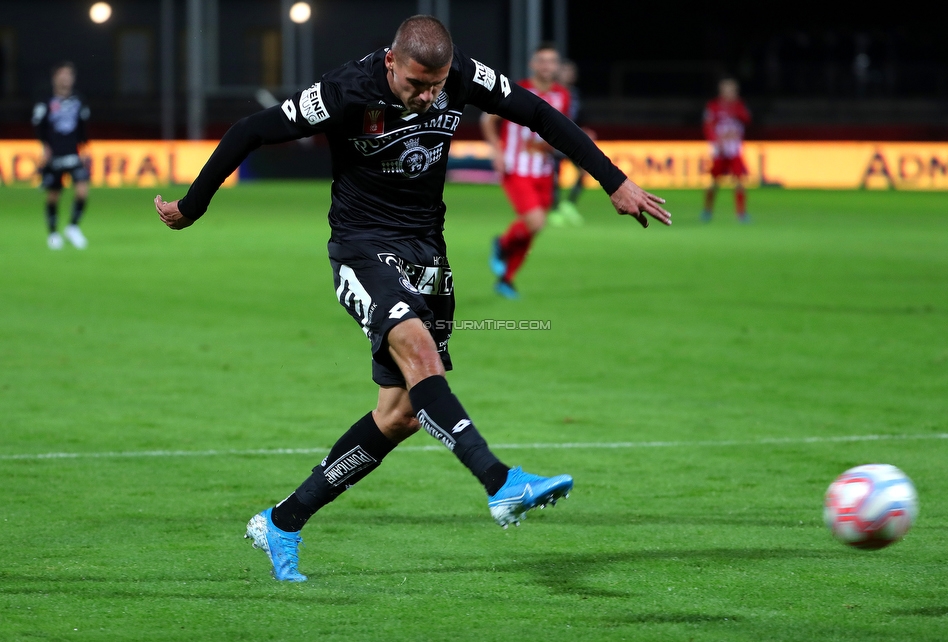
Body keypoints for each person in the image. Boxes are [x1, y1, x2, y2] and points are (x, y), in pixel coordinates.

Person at [154, 16, 670, 582]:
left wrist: (613, 180)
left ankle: (283, 520)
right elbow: (251, 129)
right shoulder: (344, 91)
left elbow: (539, 114)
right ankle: (501, 482)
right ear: (392, 62)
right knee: (419, 353)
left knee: (398, 415)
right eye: (417, 85)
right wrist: (194, 205)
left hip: (428, 255)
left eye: (438, 86)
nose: (429, 97)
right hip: (362, 250)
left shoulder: (462, 76)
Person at [482, 43, 570, 299]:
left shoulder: (561, 95)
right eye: (542, 60)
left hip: (543, 171)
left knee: (534, 228)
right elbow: (488, 119)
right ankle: (502, 244)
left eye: (551, 61)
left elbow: (556, 131)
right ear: (533, 64)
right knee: (535, 221)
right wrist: (496, 150)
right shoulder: (517, 89)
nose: (546, 66)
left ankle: (506, 279)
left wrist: (551, 145)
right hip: (515, 167)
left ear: (557, 66)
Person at [33, 61, 91, 250]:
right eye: (62, 75)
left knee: (82, 191)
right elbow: (38, 126)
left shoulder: (79, 100)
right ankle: (53, 233)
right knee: (53, 196)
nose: (66, 78)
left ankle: (73, 227)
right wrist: (45, 147)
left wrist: (84, 148)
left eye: (69, 75)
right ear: (55, 78)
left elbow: (83, 128)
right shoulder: (46, 101)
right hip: (55, 155)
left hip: (74, 153)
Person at [701, 78, 751, 223]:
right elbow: (708, 126)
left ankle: (741, 214)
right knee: (714, 183)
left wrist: (736, 110)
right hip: (720, 152)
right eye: (727, 90)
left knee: (740, 181)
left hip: (734, 150)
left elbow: (747, 119)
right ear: (721, 91)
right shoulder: (713, 106)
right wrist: (716, 142)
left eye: (733, 90)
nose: (730, 93)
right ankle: (707, 211)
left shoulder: (739, 105)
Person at [548, 60, 590, 227]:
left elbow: (580, 116)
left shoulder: (575, 94)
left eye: (572, 71)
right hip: (556, 139)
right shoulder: (552, 92)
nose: (570, 74)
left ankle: (570, 204)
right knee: (555, 176)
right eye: (566, 71)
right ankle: (555, 210)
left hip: (573, 139)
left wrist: (585, 130)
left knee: (584, 170)